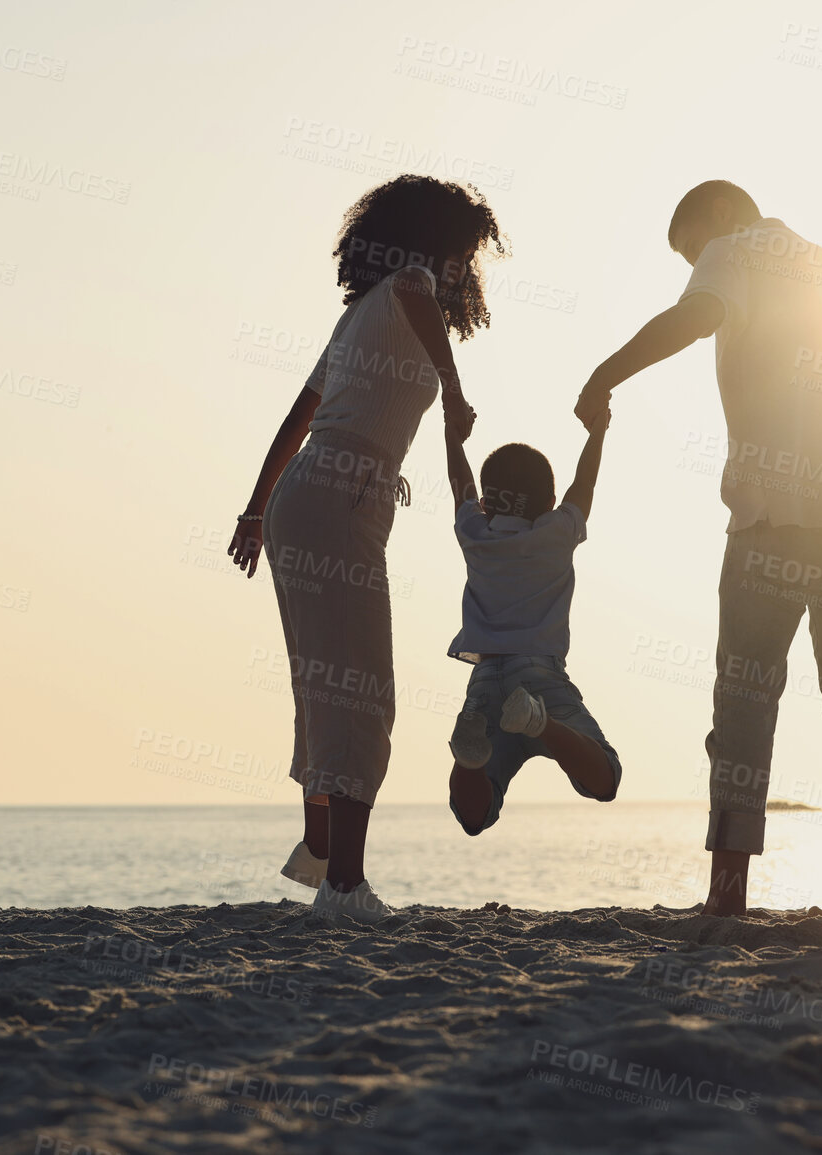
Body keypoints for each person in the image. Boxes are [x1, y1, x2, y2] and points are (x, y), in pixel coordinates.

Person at [575, 180, 822, 927]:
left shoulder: (733, 249)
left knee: (745, 689)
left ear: (720, 218)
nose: (694, 262)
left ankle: (729, 885)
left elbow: (695, 318)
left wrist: (606, 373)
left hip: (777, 514)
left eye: (689, 246)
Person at [228, 175, 504, 924]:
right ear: (433, 244)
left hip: (309, 496)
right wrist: (451, 387)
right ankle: (342, 885)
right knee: (361, 691)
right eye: (462, 251)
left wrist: (258, 507)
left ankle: (323, 851)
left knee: (324, 681)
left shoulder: (360, 314)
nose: (459, 269)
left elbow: (298, 414)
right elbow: (420, 294)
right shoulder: (407, 290)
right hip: (340, 493)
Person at [443, 411, 623, 838]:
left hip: (485, 680)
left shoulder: (475, 533)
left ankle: (469, 760)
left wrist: (453, 436)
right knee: (605, 778)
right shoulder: (557, 532)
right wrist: (598, 431)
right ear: (549, 503)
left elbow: (459, 485)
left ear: (486, 503)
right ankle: (540, 724)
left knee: (474, 815)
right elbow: (586, 485)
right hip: (539, 675)